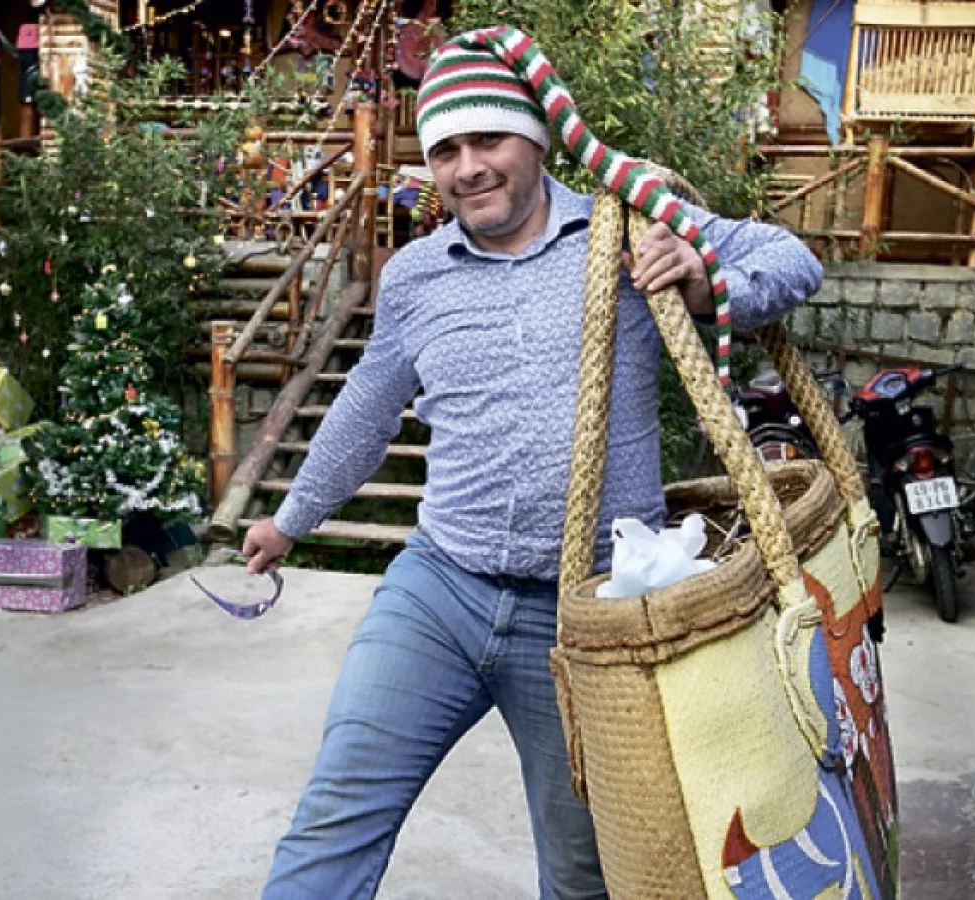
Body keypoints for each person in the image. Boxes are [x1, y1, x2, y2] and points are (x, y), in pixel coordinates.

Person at [245, 26, 823, 900]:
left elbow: (792, 259)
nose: (468, 168)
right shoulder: (415, 277)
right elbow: (365, 408)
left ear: (537, 140)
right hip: (440, 588)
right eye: (446, 150)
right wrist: (289, 522)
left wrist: (706, 280)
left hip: (586, 617)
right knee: (334, 817)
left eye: (489, 140)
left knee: (587, 871)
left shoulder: (628, 227)